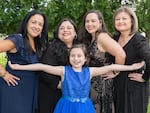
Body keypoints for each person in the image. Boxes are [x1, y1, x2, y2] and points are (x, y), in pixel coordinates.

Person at [8, 44, 144, 113]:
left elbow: (111, 67)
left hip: (84, 107)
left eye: (79, 56)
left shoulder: (89, 71)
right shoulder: (63, 71)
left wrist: (131, 67)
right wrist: (19, 67)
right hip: (66, 106)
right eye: (73, 56)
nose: (76, 58)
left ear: (85, 59)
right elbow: (41, 66)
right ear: (69, 58)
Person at [0, 10, 48, 113]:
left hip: (29, 91)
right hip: (14, 89)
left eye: (40, 24)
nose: (37, 26)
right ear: (26, 23)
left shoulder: (37, 44)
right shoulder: (17, 40)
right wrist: (3, 73)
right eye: (33, 22)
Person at [79, 10, 126, 113]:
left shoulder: (102, 37)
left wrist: (115, 72)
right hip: (92, 85)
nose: (89, 24)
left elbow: (121, 54)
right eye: (87, 21)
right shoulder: (92, 38)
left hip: (102, 86)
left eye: (93, 21)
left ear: (100, 23)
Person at [112, 6, 150, 113]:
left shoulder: (138, 40)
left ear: (132, 21)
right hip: (118, 85)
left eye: (124, 18)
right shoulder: (114, 39)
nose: (120, 21)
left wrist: (145, 77)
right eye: (117, 19)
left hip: (134, 87)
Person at [37, 18, 79, 113]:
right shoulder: (51, 47)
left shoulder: (80, 49)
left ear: (75, 33)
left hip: (72, 95)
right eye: (62, 28)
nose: (65, 30)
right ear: (57, 33)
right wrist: (60, 85)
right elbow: (44, 71)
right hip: (52, 93)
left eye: (69, 28)